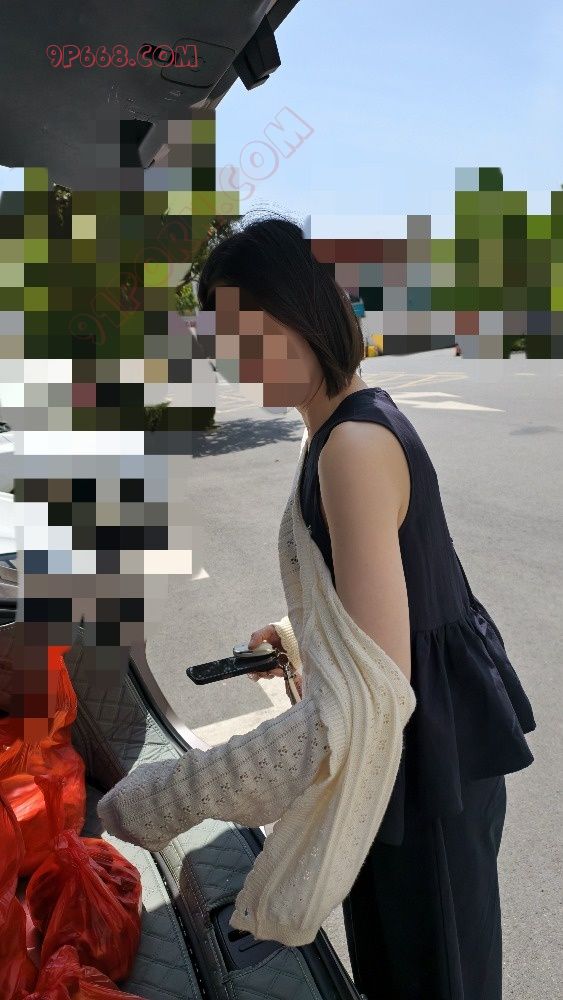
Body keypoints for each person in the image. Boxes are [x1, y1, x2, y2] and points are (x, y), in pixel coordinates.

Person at [202, 211, 536, 998]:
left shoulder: (350, 447)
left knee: (429, 977)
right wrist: (297, 635)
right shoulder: (345, 425)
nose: (231, 359)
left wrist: (182, 791)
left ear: (303, 316)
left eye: (247, 335)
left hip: (416, 776)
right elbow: (400, 593)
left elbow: (376, 689)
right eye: (220, 339)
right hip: (414, 759)